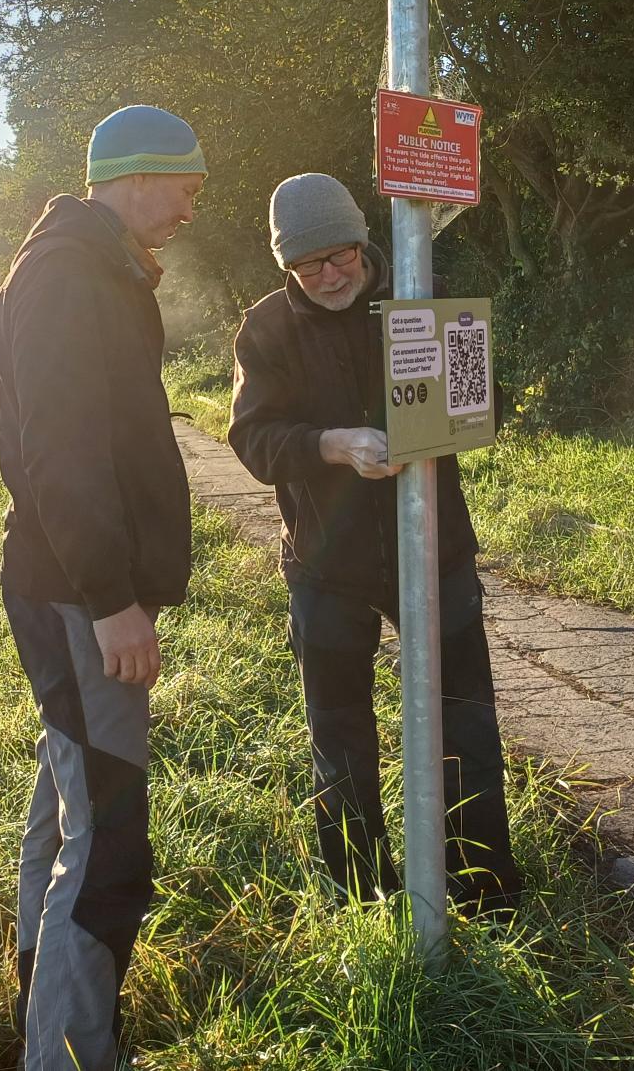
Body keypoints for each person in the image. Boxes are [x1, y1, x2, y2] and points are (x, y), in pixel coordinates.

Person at [227, 172, 520, 914]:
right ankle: (361, 899)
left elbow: (481, 401)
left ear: (365, 242)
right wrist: (332, 444)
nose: (329, 276)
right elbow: (253, 439)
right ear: (285, 265)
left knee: (467, 726)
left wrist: (466, 402)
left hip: (437, 551)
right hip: (328, 567)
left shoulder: (421, 297)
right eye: (308, 264)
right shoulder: (265, 329)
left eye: (342, 257)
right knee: (341, 742)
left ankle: (484, 893)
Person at [0, 104, 206, 1071]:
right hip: (81, 595)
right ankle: (72, 1054)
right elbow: (61, 455)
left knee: (69, 791)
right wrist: (115, 600)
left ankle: (41, 996)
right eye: (186, 187)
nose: (192, 208)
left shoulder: (94, 266)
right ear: (136, 175)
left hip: (78, 586)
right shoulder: (70, 275)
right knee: (112, 841)